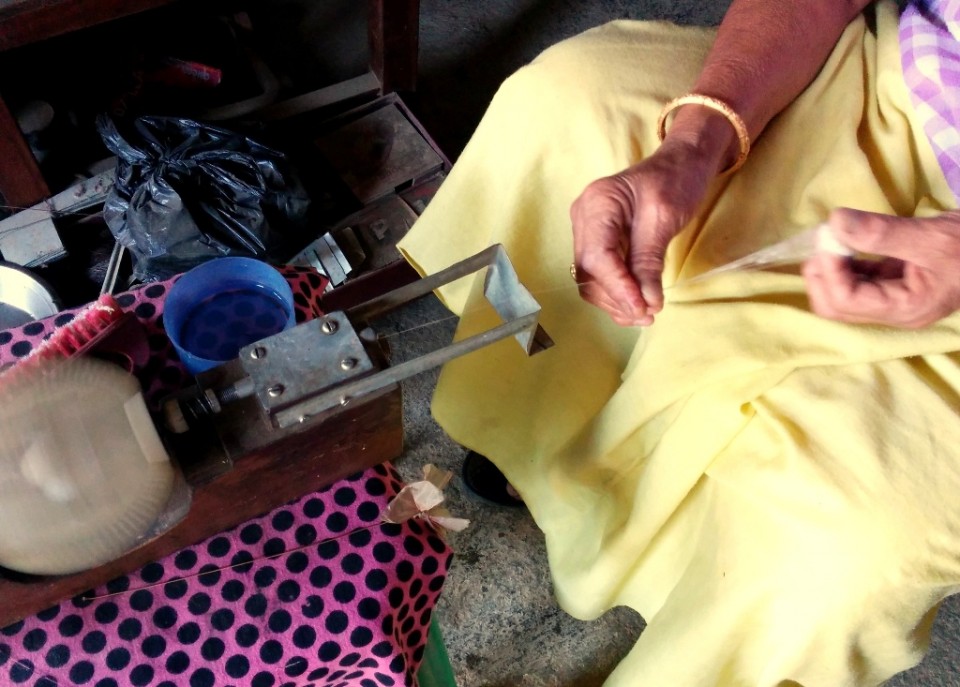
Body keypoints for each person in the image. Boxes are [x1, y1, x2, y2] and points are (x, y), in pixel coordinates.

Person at [398, 0, 960, 685]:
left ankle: (700, 616)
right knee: (563, 105)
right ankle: (547, 454)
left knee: (850, 548)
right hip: (892, 86)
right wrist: (698, 139)